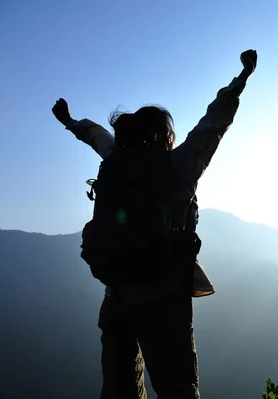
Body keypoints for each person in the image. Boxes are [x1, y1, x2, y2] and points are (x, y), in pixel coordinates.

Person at [52, 49, 257, 399]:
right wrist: (242, 78)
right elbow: (214, 122)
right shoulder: (179, 166)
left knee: (120, 388)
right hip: (164, 300)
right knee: (177, 388)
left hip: (116, 296)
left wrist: (69, 120)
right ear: (164, 135)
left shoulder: (116, 157)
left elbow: (95, 134)